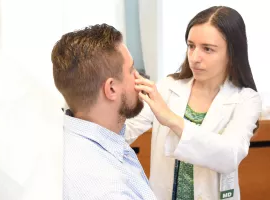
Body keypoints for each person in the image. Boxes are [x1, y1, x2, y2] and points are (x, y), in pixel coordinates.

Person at [125, 6, 262, 200]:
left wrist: (172, 119)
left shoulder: (246, 99)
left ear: (232, 53)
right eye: (191, 46)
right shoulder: (168, 87)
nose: (195, 58)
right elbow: (125, 130)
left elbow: (229, 156)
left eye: (207, 49)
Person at [51, 24, 157, 200]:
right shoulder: (112, 190)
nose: (139, 78)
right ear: (111, 89)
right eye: (131, 70)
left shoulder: (65, 141)